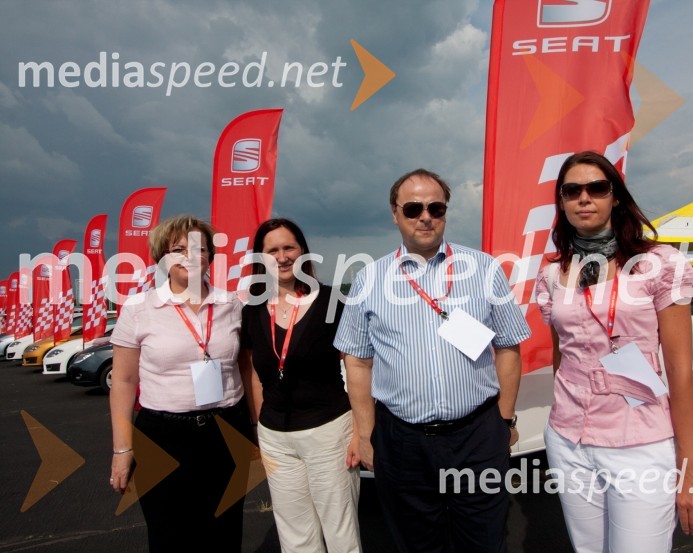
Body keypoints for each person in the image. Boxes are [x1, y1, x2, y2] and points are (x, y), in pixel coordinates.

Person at [334, 168, 531, 553]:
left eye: (435, 207)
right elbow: (356, 362)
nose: (425, 216)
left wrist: (504, 421)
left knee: (486, 543)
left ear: (445, 211)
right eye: (413, 208)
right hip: (403, 442)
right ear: (395, 214)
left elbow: (509, 346)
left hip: (476, 437)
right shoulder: (369, 280)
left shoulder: (485, 269)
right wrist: (365, 434)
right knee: (417, 545)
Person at [534, 152, 693, 553]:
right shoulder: (552, 273)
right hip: (568, 439)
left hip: (640, 444)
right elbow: (562, 353)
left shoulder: (658, 263)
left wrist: (692, 467)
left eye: (596, 188)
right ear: (561, 202)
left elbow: (681, 373)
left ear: (615, 196)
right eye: (572, 190)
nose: (584, 198)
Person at [109, 215, 252, 552]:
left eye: (199, 248)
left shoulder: (232, 304)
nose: (189, 255)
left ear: (210, 257)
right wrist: (121, 449)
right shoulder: (139, 309)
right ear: (162, 258)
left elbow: (246, 368)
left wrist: (257, 427)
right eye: (178, 249)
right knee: (169, 535)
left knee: (225, 532)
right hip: (162, 436)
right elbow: (124, 383)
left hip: (227, 431)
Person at [239, 218, 361, 553]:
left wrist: (361, 431)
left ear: (303, 251)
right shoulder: (252, 309)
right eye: (272, 250)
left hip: (329, 432)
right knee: (294, 535)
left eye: (288, 247)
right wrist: (257, 425)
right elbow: (254, 373)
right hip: (276, 438)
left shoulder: (332, 302)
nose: (281, 256)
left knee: (340, 531)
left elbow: (359, 366)